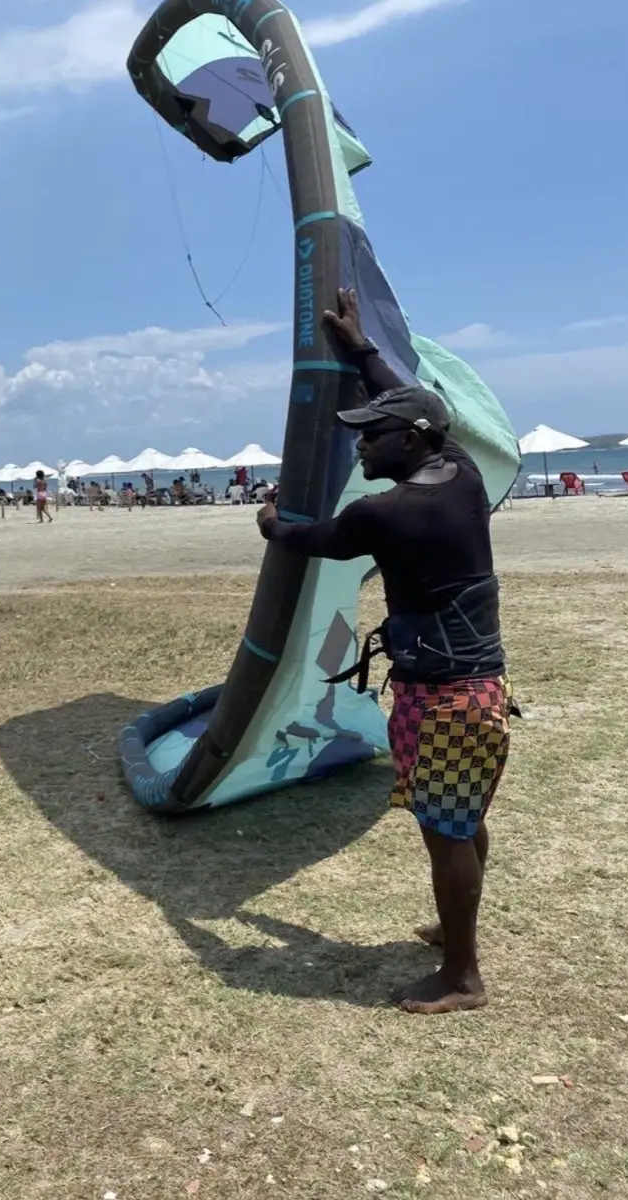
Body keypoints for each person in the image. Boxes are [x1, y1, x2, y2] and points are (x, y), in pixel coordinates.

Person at [257, 289, 513, 1015]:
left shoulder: (388, 511)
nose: (360, 445)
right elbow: (407, 402)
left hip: (442, 699)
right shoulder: (457, 474)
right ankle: (451, 928)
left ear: (411, 442)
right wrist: (361, 350)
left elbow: (315, 541)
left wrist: (272, 523)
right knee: (462, 818)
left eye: (372, 436)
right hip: (475, 686)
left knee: (445, 830)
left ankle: (461, 976)